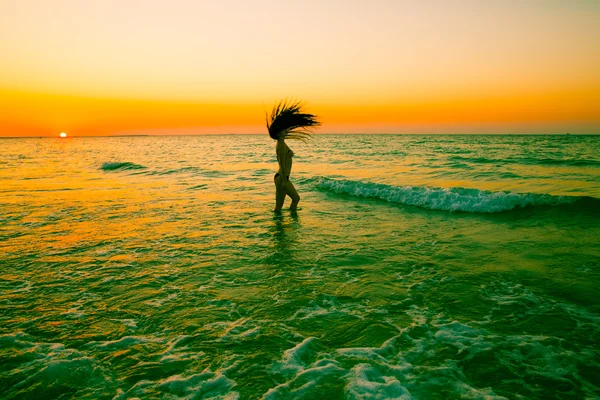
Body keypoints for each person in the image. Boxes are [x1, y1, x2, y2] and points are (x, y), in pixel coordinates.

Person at [267, 100, 320, 212]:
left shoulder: (282, 143)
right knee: (296, 199)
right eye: (283, 129)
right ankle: (294, 223)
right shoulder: (280, 145)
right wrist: (285, 181)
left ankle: (279, 226)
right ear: (278, 133)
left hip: (281, 177)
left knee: (278, 208)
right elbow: (281, 163)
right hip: (282, 177)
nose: (286, 130)